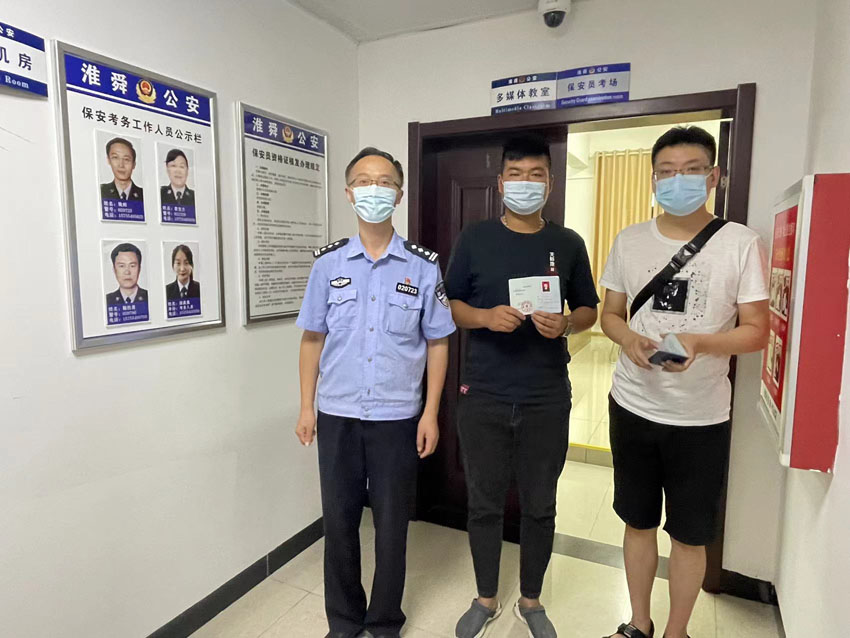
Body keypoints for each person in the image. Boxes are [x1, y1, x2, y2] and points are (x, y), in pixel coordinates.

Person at [599, 126, 769, 638]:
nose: (679, 180)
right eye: (667, 172)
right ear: (653, 179)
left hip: (701, 418)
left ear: (713, 177)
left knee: (691, 536)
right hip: (632, 405)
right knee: (637, 522)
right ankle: (639, 624)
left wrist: (701, 343)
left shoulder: (740, 243)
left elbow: (756, 331)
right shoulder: (629, 240)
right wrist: (629, 339)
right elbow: (610, 314)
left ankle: (677, 632)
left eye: (692, 170)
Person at [295, 147, 456, 638]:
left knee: (391, 528)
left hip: (397, 417)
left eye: (384, 181)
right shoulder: (328, 264)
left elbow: (438, 342)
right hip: (338, 413)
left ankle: (385, 622)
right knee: (339, 523)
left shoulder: (423, 267)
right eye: (364, 181)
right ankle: (344, 621)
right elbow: (312, 338)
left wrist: (430, 413)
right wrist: (306, 407)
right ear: (349, 193)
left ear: (398, 195)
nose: (374, 189)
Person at [446, 135, 599, 638]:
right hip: (484, 393)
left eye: (536, 175)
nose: (525, 183)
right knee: (484, 503)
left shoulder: (569, 243)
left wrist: (568, 324)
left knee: (540, 504)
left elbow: (589, 309)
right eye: (516, 174)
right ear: (500, 182)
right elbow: (452, 304)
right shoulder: (475, 237)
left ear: (550, 183)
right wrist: (485, 317)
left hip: (546, 395)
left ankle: (530, 600)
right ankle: (485, 597)